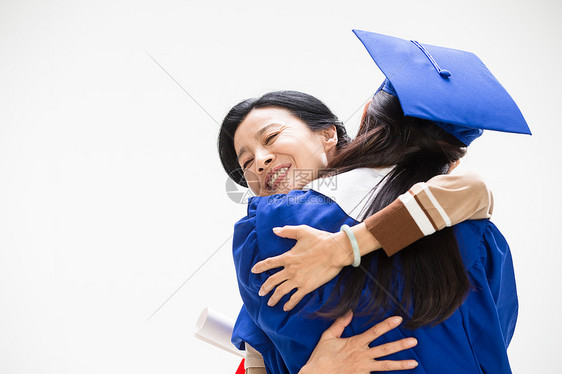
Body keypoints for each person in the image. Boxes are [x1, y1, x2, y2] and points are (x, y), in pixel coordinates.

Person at [220, 30, 530, 374]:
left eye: (273, 136)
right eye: (245, 163)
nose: (259, 162)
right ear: (453, 161)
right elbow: (493, 340)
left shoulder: (268, 236)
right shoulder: (478, 233)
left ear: (335, 131)